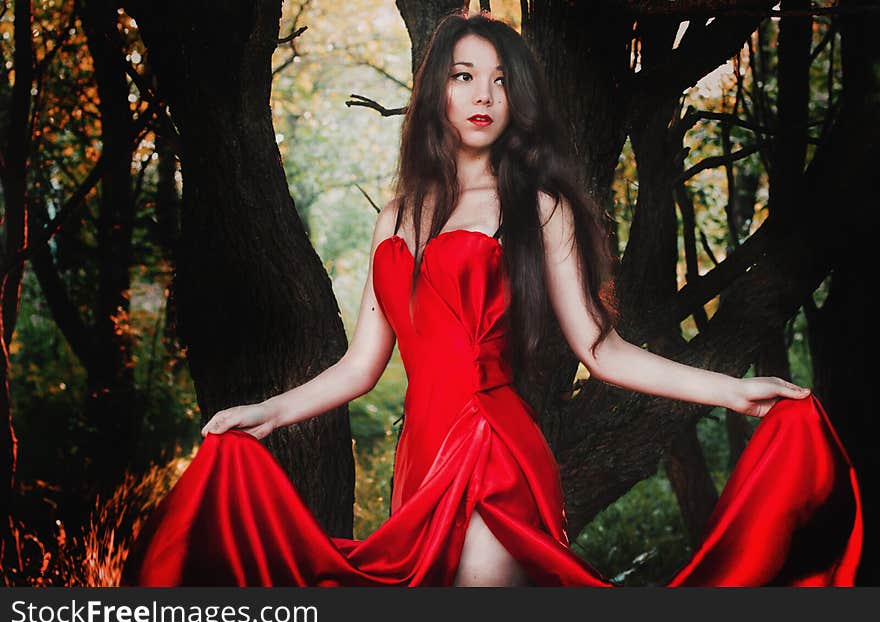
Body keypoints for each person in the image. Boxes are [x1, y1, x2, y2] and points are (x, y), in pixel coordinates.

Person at [122, 12, 862, 587]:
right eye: (465, 76)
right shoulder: (395, 216)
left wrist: (735, 392)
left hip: (494, 452)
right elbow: (360, 367)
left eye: (501, 79)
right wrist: (267, 412)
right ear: (436, 90)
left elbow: (600, 349)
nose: (484, 94)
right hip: (421, 466)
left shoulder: (539, 206)